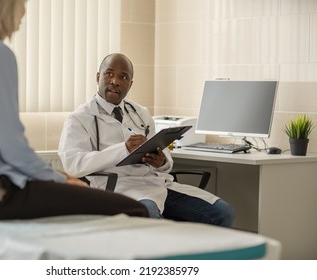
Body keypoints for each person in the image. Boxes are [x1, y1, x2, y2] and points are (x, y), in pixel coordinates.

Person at [0, 0, 148, 221]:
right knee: (132, 209)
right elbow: (12, 147)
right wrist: (61, 180)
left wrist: (54, 176)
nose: (24, 12)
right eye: (22, 4)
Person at [58, 53, 235, 227]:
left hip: (156, 184)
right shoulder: (80, 118)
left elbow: (162, 153)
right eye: (109, 74)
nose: (115, 81)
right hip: (117, 189)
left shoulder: (140, 113)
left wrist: (162, 161)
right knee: (148, 213)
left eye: (123, 77)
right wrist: (123, 149)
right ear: (98, 77)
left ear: (130, 84)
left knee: (222, 213)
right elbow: (73, 165)